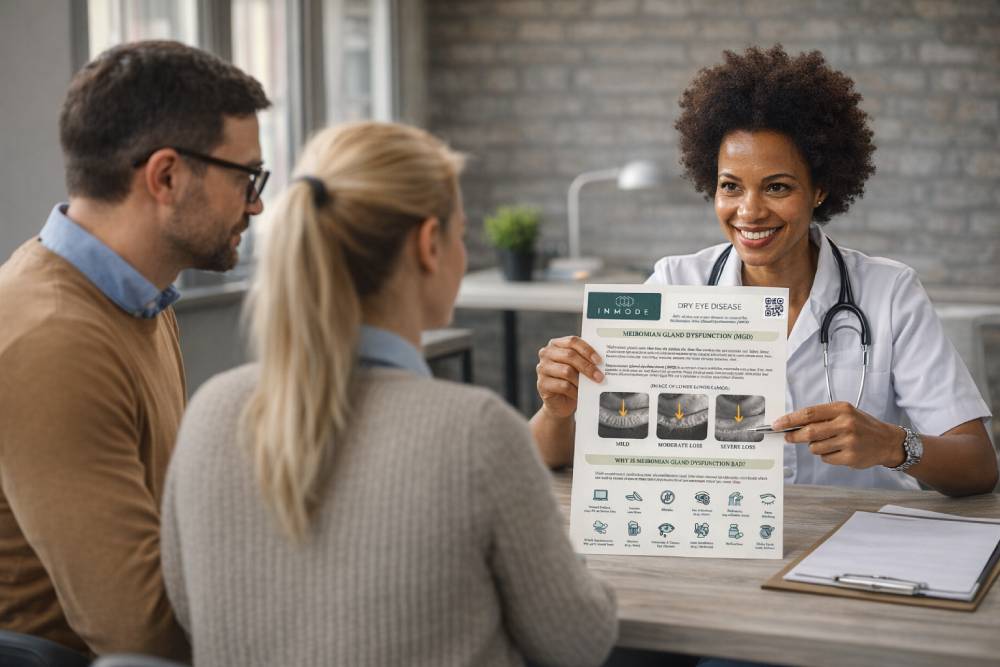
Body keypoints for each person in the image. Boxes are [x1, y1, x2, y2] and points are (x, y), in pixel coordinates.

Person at [160, 121, 618, 666]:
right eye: (461, 234)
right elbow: (580, 642)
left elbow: (188, 612)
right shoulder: (475, 432)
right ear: (429, 245)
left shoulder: (211, 411)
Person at [531, 45, 997, 497]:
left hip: (859, 541)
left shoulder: (889, 292)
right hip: (714, 533)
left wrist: (893, 445)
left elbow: (978, 466)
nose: (749, 211)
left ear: (820, 189)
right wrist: (558, 410)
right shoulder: (676, 284)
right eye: (730, 186)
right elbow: (556, 454)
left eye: (777, 187)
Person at [0, 40, 270, 658]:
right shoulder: (52, 337)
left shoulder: (139, 300)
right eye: (245, 177)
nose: (256, 203)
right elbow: (140, 632)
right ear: (167, 176)